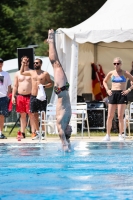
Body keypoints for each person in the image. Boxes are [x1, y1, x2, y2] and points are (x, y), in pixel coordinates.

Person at [47, 29, 72, 152]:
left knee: (55, 63)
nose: (71, 130)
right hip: (64, 89)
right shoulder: (67, 121)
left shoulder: (61, 123)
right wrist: (69, 143)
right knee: (56, 63)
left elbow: (60, 132)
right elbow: (67, 136)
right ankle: (52, 41)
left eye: (69, 132)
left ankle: (51, 40)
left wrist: (64, 144)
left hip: (62, 90)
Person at [20, 57, 53, 140]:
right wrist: (23, 64)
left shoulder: (45, 74)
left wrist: (44, 86)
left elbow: (51, 83)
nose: (35, 64)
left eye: (37, 63)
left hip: (41, 96)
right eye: (34, 63)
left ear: (41, 64)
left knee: (42, 115)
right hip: (33, 96)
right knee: (34, 114)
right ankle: (37, 132)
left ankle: (43, 133)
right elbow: (22, 72)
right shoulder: (32, 72)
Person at [103, 57, 133, 141]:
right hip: (112, 93)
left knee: (120, 116)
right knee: (110, 116)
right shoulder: (111, 73)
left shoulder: (125, 73)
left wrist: (129, 90)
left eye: (118, 63)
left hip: (122, 94)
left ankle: (120, 135)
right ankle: (108, 135)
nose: (116, 65)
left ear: (121, 64)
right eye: (114, 63)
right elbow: (104, 81)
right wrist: (107, 90)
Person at [12, 56, 35, 138]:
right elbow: (15, 85)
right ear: (21, 62)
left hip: (30, 96)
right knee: (22, 115)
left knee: (31, 114)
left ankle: (33, 132)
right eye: (24, 61)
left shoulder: (32, 72)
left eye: (27, 61)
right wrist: (13, 96)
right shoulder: (17, 73)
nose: (25, 63)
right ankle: (22, 132)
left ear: (29, 62)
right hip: (20, 96)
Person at [0, 58, 12, 139]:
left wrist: (9, 96)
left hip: (3, 97)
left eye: (1, 62)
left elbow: (9, 86)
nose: (0, 64)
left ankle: (0, 132)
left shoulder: (6, 74)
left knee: (2, 116)